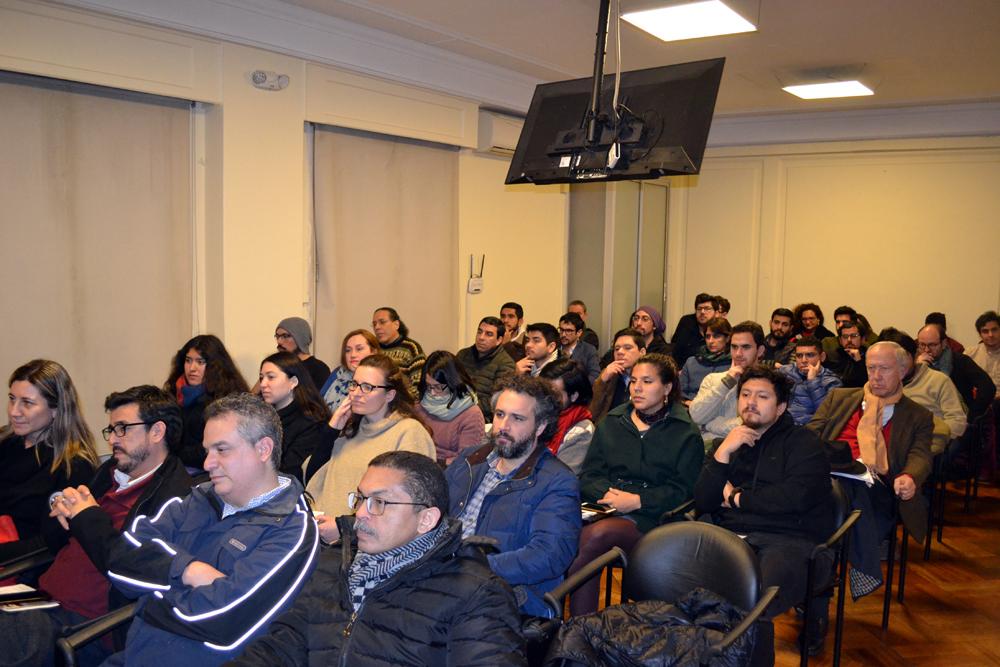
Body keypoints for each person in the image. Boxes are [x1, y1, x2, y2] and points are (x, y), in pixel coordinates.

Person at [230, 451, 526, 666]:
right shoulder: (335, 564)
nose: (360, 513)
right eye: (360, 499)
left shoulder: (476, 592)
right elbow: (284, 646)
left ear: (426, 519)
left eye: (380, 503)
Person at [102, 393, 319, 665]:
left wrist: (151, 597)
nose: (207, 464)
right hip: (133, 657)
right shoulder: (199, 498)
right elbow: (120, 558)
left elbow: (223, 622)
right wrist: (189, 569)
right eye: (207, 451)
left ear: (263, 449)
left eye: (222, 450)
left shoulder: (291, 529)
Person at [0, 386, 192, 666]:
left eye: (123, 429)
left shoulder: (173, 500)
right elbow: (54, 541)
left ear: (157, 432)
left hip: (85, 627)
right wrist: (59, 504)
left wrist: (87, 518)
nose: (113, 439)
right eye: (112, 429)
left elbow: (128, 569)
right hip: (41, 599)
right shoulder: (109, 473)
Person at [695, 364, 833, 657]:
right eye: (745, 394)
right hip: (729, 533)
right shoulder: (730, 443)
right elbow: (703, 501)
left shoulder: (804, 444)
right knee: (686, 584)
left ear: (781, 406)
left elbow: (793, 499)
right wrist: (721, 455)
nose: (750, 403)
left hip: (788, 538)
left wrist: (737, 499)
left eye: (762, 396)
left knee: (754, 601)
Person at [570, 353, 703, 615]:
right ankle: (559, 623)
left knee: (593, 538)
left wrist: (637, 501)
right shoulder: (612, 422)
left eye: (647, 381)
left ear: (667, 388)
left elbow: (684, 491)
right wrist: (607, 494)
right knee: (556, 528)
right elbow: (590, 475)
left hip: (653, 519)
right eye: (633, 381)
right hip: (605, 507)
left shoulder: (685, 432)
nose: (637, 388)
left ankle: (576, 628)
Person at [444, 375, 580, 618]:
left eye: (517, 418)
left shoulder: (557, 481)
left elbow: (548, 555)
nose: (503, 426)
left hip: (509, 597)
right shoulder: (471, 459)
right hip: (446, 579)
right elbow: (431, 512)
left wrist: (472, 567)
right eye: (499, 414)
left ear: (540, 427)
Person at [807, 342, 933, 602]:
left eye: (884, 369)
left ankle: (817, 581)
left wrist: (910, 476)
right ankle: (862, 568)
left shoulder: (918, 415)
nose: (875, 376)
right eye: (871, 368)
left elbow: (920, 455)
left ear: (903, 370)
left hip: (881, 491)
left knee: (850, 490)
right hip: (828, 482)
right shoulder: (840, 399)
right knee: (840, 489)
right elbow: (810, 436)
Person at [305, 354, 435, 543]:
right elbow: (313, 477)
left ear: (390, 394)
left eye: (367, 387)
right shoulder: (350, 431)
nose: (356, 393)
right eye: (354, 384)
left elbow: (405, 506)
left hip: (366, 543)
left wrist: (344, 528)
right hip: (325, 535)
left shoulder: (409, 432)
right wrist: (331, 430)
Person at [0, 359, 99, 562]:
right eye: (12, 399)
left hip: (23, 569)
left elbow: (52, 543)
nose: (13, 412)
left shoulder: (74, 465)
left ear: (56, 409)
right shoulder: (5, 443)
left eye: (27, 403)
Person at [164, 334, 249, 470]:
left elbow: (217, 448)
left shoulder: (227, 399)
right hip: (176, 467)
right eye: (188, 360)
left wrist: (172, 453)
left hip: (209, 470)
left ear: (215, 366)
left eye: (200, 362)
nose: (192, 368)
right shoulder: (173, 393)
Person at [880, 327, 967, 442]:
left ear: (915, 355)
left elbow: (957, 422)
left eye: (901, 358)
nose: (896, 365)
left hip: (928, 445)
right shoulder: (877, 385)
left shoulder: (938, 380)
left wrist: (929, 439)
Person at [689, 321, 767, 444]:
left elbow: (751, 425)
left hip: (745, 450)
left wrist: (707, 425)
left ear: (760, 350)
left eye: (746, 347)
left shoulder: (767, 385)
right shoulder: (713, 379)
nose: (738, 354)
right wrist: (726, 383)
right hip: (705, 449)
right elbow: (696, 417)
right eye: (734, 347)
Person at [258, 352, 331, 483]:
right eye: (261, 378)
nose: (263, 384)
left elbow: (289, 473)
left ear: (293, 382)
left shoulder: (312, 422)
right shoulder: (260, 415)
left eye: (271, 377)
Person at [415, 351, 485, 466]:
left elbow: (466, 462)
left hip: (450, 476)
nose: (432, 393)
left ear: (453, 382)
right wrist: (444, 460)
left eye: (438, 387)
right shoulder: (419, 406)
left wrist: (436, 460)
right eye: (428, 386)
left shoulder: (471, 415)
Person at [917, 323, 994, 423]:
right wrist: (919, 367)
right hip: (924, 420)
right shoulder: (915, 363)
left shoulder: (960, 361)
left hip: (957, 419)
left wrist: (972, 416)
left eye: (932, 345)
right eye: (922, 345)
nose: (927, 350)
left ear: (944, 343)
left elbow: (988, 387)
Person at [538, 358, 595, 473]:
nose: (546, 398)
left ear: (573, 396)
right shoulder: (536, 414)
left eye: (554, 394)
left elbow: (561, 477)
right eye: (543, 391)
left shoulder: (582, 431)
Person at [456, 316, 515, 421]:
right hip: (455, 409)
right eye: (479, 332)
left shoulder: (506, 364)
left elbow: (496, 400)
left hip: (483, 417)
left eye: (489, 334)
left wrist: (465, 408)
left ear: (499, 340)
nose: (481, 337)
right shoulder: (463, 355)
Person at [777, 337, 843, 425]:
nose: (804, 360)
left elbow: (827, 415)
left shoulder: (832, 382)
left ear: (822, 357)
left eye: (810, 355)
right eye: (799, 356)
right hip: (780, 424)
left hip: (807, 429)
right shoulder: (785, 371)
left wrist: (813, 381)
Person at [590, 329, 646, 424]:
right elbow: (592, 413)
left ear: (642, 352)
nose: (620, 352)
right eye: (616, 349)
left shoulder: (650, 378)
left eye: (627, 348)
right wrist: (602, 381)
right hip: (608, 429)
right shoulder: (609, 375)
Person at [318, 329, 380, 412]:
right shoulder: (337, 373)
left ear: (374, 352)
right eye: (348, 350)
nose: (353, 355)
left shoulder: (379, 380)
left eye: (359, 349)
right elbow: (318, 404)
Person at [371, 307, 425, 398]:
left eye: (382, 322)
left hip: (403, 403)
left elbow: (419, 385)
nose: (377, 327)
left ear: (396, 324)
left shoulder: (411, 348)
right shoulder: (372, 348)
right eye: (374, 324)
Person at [678, 316, 732, 402]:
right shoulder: (692, 362)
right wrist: (688, 403)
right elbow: (680, 392)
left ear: (727, 338)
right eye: (708, 336)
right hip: (689, 407)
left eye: (716, 336)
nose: (711, 341)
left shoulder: (733, 364)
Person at [273, 317, 331, 391]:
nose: (279, 341)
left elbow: (318, 401)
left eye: (285, 336)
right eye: (277, 336)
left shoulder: (319, 369)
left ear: (300, 339)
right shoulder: (275, 365)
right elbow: (255, 396)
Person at [670, 293, 719, 367]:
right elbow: (676, 349)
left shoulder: (720, 327)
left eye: (707, 308)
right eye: (699, 309)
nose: (702, 312)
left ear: (716, 313)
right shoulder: (687, 322)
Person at [823, 319, 870, 388]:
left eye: (854, 336)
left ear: (863, 339)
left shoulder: (870, 357)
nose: (849, 340)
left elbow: (865, 383)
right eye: (845, 337)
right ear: (840, 340)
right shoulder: (833, 356)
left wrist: (858, 361)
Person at [558, 312, 600, 384]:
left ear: (579, 333)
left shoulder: (589, 350)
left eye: (568, 331)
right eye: (561, 330)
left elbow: (594, 375)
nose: (563, 334)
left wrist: (578, 387)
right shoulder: (553, 347)